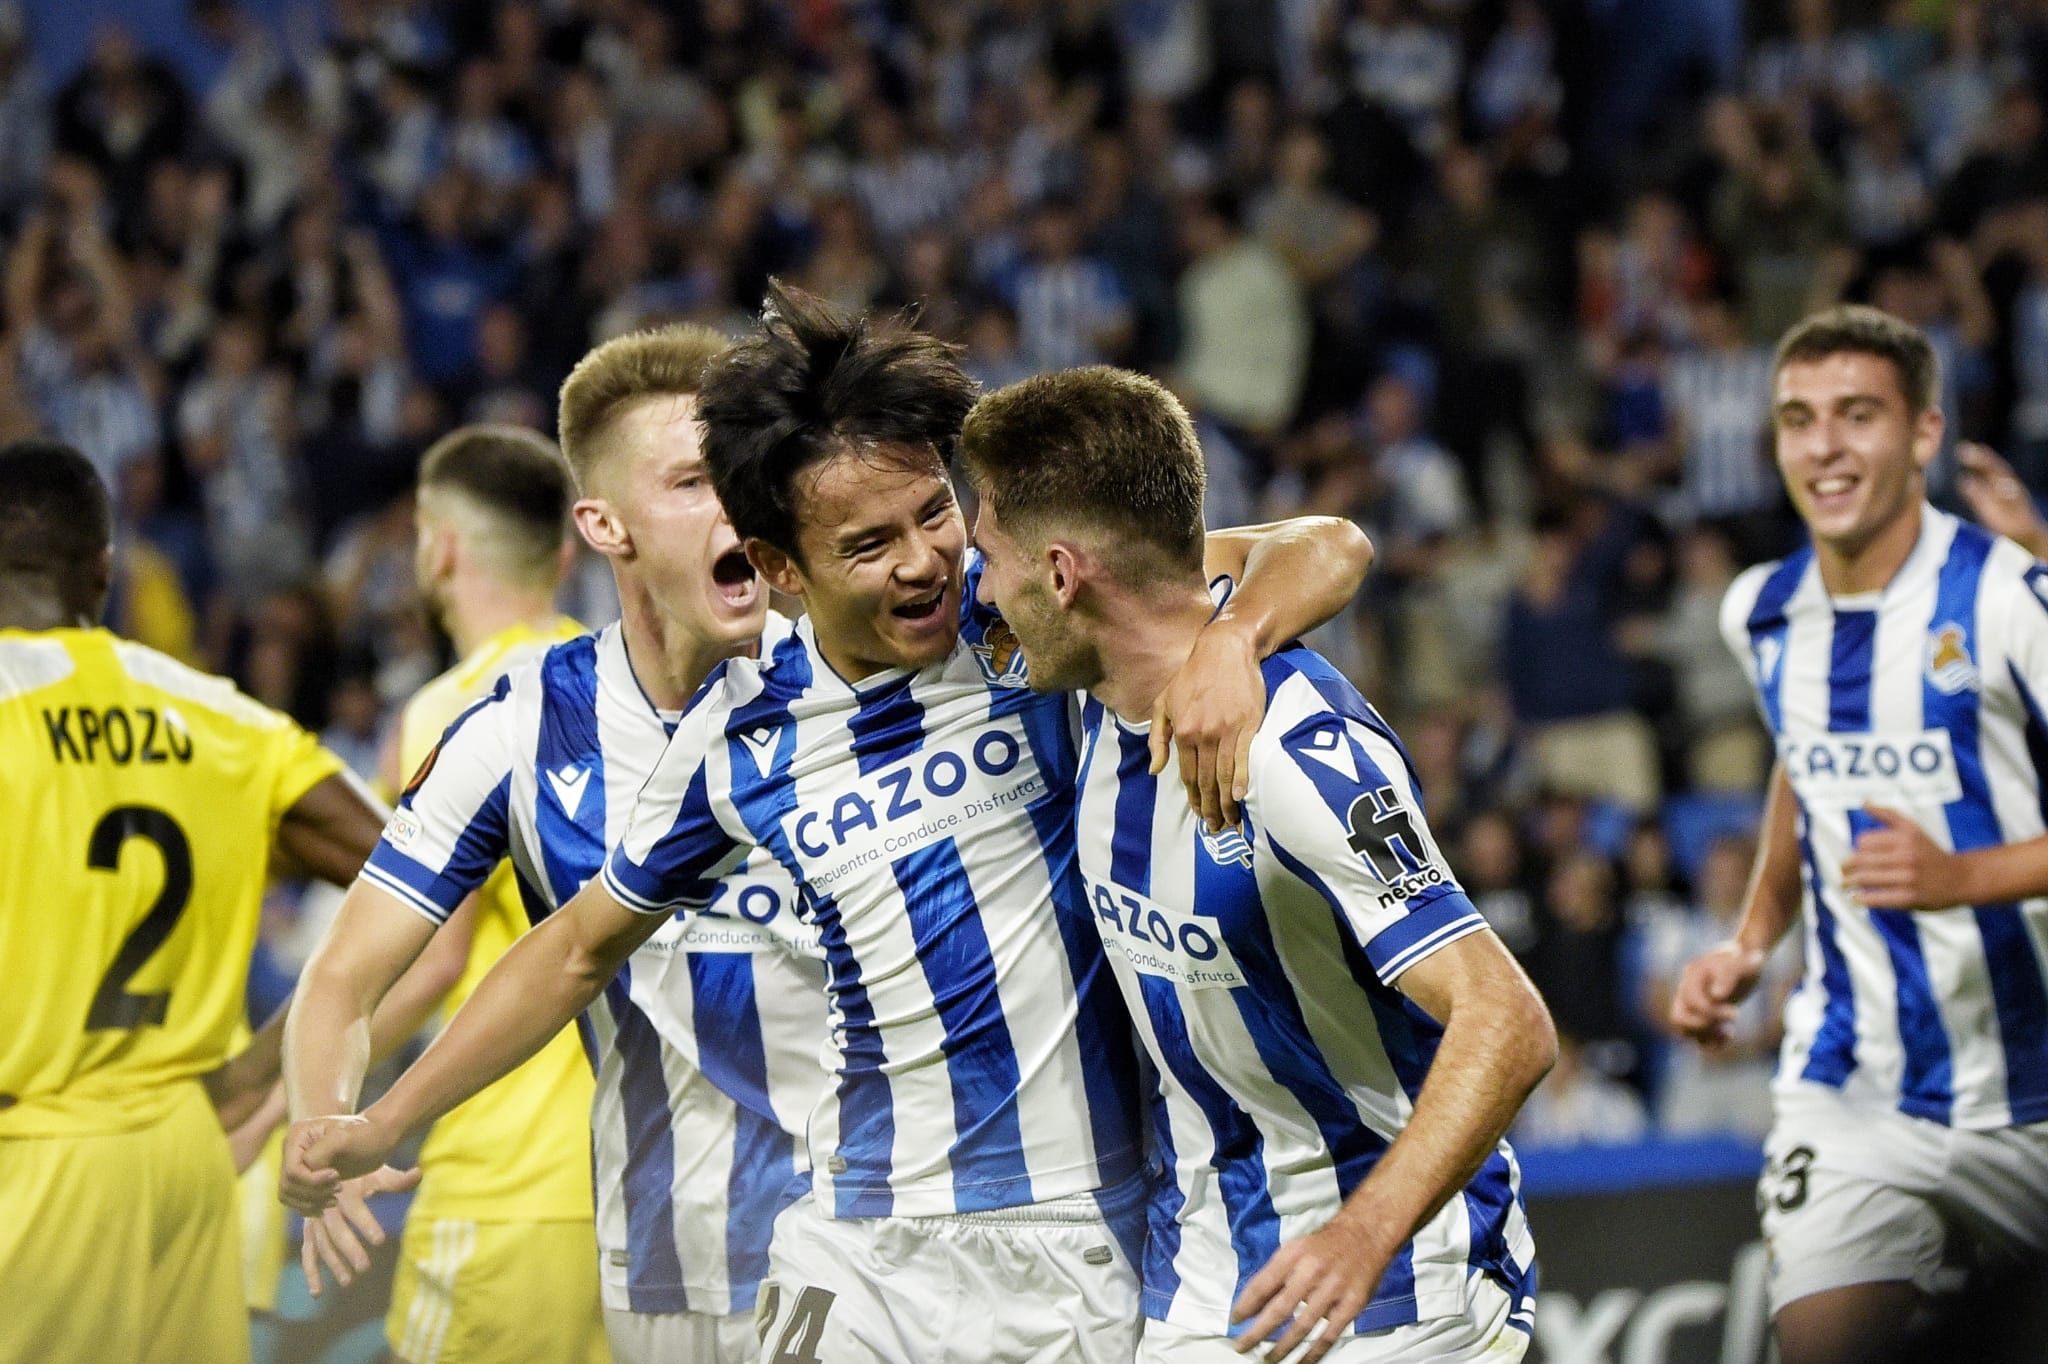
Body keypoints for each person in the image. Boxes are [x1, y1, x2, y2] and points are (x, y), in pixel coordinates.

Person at [287, 283, 1373, 1363]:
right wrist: (385, 1117)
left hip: (1072, 1232)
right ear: (779, 568)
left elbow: (1326, 543)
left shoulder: (1031, 630)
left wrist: (1238, 639)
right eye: (868, 543)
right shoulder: (740, 739)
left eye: (934, 513)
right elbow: (574, 947)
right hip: (847, 1237)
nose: (921, 561)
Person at [958, 367, 1548, 1364]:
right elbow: (1322, 542)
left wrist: (1365, 1230)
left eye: (990, 549)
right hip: (1205, 1280)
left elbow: (1508, 1019)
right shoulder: (1091, 678)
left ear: (1060, 574)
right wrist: (1233, 626)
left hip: (1392, 1291)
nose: (980, 579)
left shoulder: (1294, 754)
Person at [282, 332, 828, 1364]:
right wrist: (325, 1129)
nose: (735, 507)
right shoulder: (516, 729)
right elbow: (342, 976)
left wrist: (1239, 608)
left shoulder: (864, 673)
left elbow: (1128, 561)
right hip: (653, 1256)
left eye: (742, 476)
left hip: (855, 1240)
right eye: (689, 482)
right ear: (602, 524)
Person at [1671, 305, 2048, 1364]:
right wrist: (1749, 941)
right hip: (1853, 1089)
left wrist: (1961, 874)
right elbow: (1803, 768)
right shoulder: (1759, 610)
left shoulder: (2010, 601)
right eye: (1796, 419)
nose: (1822, 445)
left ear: (1923, 434)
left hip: (2029, 1090)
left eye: (1855, 415)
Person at [0, 437, 384, 1363]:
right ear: (103, 569)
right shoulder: (222, 714)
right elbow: (415, 876)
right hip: (186, 1154)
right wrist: (265, 1069)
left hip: (32, 1155)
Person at [290, 424, 609, 1364]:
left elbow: (435, 961)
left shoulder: (449, 707)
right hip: (633, 1175)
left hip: (502, 1175)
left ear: (437, 546)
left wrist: (312, 1095)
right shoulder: (619, 677)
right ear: (562, 553)